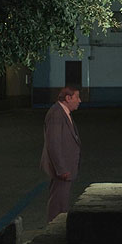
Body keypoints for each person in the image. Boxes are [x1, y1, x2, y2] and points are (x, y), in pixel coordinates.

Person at [40, 85, 81, 222]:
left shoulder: (62, 113)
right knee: (57, 202)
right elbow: (54, 144)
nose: (79, 101)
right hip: (61, 170)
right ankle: (54, 228)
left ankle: (59, 226)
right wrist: (61, 168)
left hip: (65, 168)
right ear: (68, 98)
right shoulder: (56, 114)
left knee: (62, 201)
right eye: (77, 97)